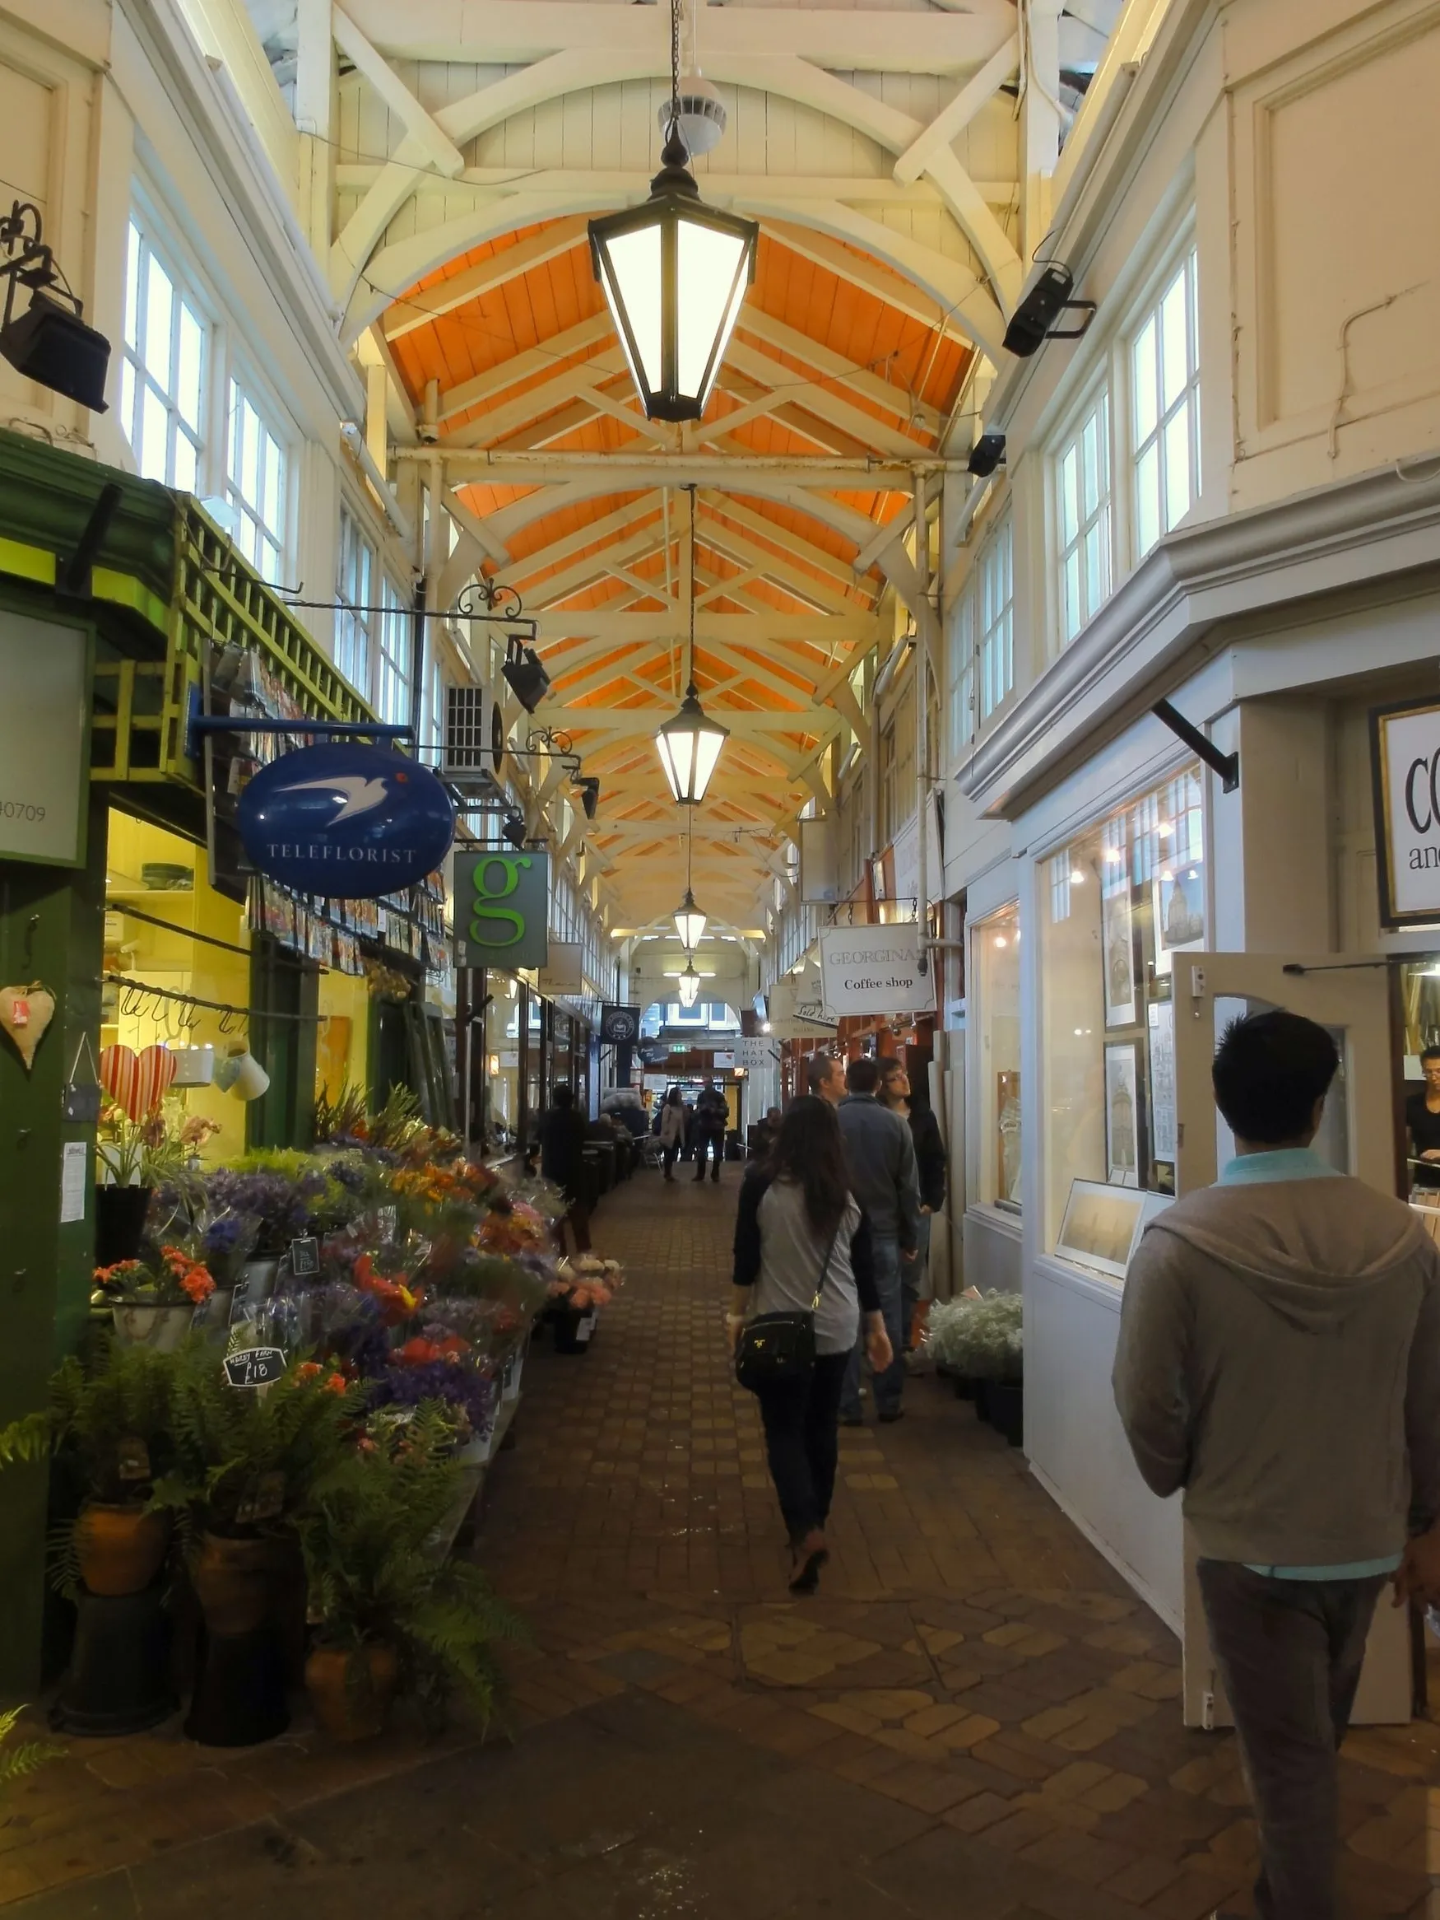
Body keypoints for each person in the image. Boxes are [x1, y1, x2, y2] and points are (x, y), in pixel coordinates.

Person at [1113, 1010, 1440, 1920]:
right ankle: (1275, 1890)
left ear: (1223, 1111)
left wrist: (1183, 1471)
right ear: (1319, 1103)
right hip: (1366, 1538)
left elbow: (1145, 1401)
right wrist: (1426, 1523)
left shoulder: (1180, 1243)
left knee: (1291, 1758)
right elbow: (1428, 1401)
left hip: (1250, 1546)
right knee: (1311, 1742)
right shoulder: (1403, 1237)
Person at [728, 1096, 892, 1593]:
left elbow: (745, 1257)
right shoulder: (846, 1190)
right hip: (837, 1326)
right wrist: (878, 1328)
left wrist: (736, 1315)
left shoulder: (761, 1184)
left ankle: (804, 1529)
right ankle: (815, 1518)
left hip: (780, 1326)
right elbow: (862, 1268)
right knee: (822, 1427)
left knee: (783, 1430)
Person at [835, 1056, 920, 1425]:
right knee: (888, 1316)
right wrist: (911, 1235)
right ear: (876, 1086)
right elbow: (908, 1188)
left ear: (848, 1083)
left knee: (844, 1317)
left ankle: (848, 1402)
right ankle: (888, 1400)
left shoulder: (831, 1122)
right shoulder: (896, 1126)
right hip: (884, 1233)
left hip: (839, 1235)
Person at [879, 1058, 946, 1355]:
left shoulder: (922, 1115)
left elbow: (935, 1159)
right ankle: (883, 1338)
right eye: (895, 1078)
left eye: (904, 1074)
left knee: (911, 1278)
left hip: (918, 1210)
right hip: (884, 1210)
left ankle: (904, 1340)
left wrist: (933, 1201)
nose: (904, 1080)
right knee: (883, 1275)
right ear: (882, 1085)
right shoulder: (877, 1116)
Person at [537, 1083, 592, 1254]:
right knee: (579, 1221)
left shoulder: (547, 1118)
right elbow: (584, 1138)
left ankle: (561, 1258)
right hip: (574, 1174)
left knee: (556, 1221)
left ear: (554, 1099)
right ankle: (585, 1258)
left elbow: (538, 1137)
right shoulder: (577, 1118)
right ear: (572, 1100)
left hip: (552, 1174)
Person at [1406, 1044, 1440, 1192]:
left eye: (1439, 1071)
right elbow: (1403, 1145)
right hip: (1424, 1184)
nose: (1434, 1077)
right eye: (1428, 1071)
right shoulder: (1412, 1104)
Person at [692, 1080, 729, 1184]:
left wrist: (714, 1110)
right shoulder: (702, 1096)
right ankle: (703, 1174)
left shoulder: (718, 1096)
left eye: (708, 1082)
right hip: (706, 1126)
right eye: (705, 1082)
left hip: (714, 1126)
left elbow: (725, 1111)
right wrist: (702, 1110)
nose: (707, 1084)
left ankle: (713, 1174)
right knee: (702, 1152)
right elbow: (698, 1110)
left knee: (717, 1152)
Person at [657, 1086, 687, 1182]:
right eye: (679, 1093)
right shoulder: (668, 1107)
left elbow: (681, 1123)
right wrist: (666, 1131)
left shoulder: (679, 1108)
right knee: (668, 1155)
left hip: (677, 1136)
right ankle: (667, 1173)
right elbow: (664, 1121)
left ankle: (669, 1172)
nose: (681, 1095)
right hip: (669, 1135)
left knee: (673, 1154)